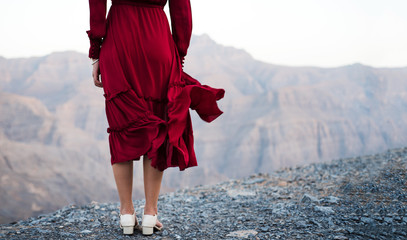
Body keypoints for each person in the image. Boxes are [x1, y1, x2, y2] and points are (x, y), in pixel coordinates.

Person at [86, 0, 224, 236]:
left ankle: (126, 213)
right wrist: (179, 51)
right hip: (157, 43)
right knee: (158, 126)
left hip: (119, 42)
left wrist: (95, 52)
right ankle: (150, 213)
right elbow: (182, 11)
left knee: (122, 128)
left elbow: (96, 4)